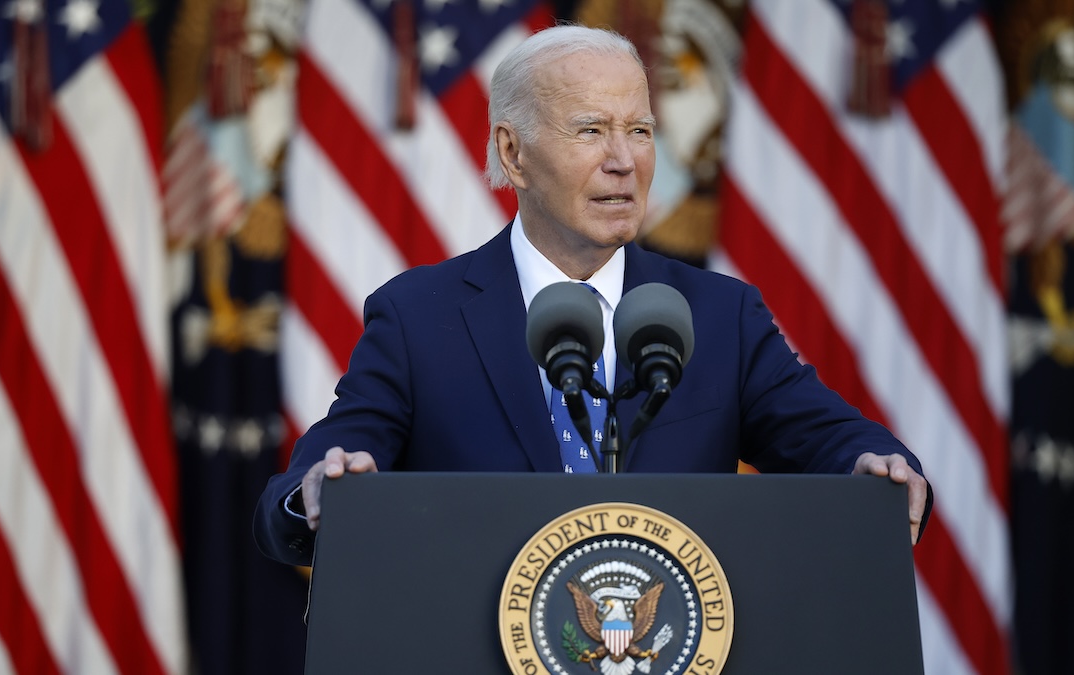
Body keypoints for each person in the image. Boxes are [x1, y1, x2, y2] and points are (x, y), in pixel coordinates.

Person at [254, 24, 931, 567]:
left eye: (638, 129)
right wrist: (316, 491)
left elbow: (833, 438)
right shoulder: (418, 317)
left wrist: (875, 465)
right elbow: (320, 469)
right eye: (590, 130)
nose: (624, 160)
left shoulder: (720, 317)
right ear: (513, 154)